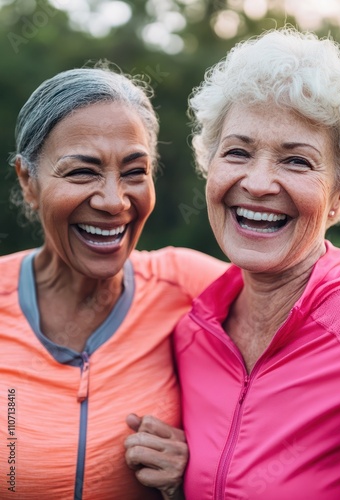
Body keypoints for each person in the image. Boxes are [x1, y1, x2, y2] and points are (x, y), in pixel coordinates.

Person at [125, 28, 340, 499]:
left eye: (297, 161)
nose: (258, 183)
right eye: (238, 152)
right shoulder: (192, 330)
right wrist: (187, 475)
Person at [0, 63, 227, 500]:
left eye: (134, 171)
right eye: (82, 172)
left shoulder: (191, 287)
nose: (114, 200)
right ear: (28, 181)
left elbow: (309, 307)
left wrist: (195, 471)